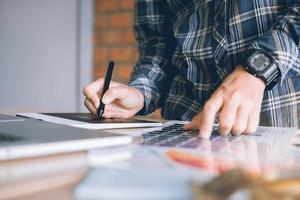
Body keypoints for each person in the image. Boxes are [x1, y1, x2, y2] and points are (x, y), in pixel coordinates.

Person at [83, 0, 300, 138]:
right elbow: (157, 46)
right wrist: (140, 93)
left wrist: (257, 69)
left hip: (276, 126)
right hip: (183, 130)